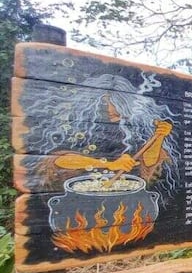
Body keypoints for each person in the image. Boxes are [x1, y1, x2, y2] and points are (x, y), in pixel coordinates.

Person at [21, 73, 181, 199]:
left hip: (125, 196)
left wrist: (159, 137)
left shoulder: (131, 126)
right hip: (82, 197)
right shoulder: (80, 125)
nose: (114, 117)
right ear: (95, 102)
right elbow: (57, 160)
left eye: (119, 113)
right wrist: (109, 165)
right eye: (110, 110)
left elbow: (149, 162)